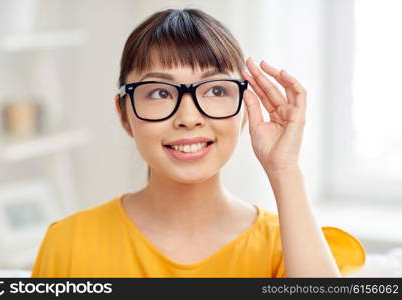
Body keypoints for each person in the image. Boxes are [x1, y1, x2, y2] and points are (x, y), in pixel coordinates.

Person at [31, 7, 365, 278]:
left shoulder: (289, 245)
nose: (189, 117)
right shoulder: (69, 244)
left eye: (216, 90)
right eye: (161, 92)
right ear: (124, 114)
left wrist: (285, 169)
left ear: (245, 109)